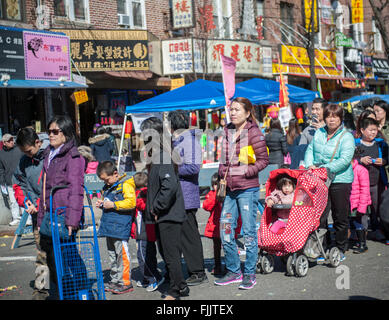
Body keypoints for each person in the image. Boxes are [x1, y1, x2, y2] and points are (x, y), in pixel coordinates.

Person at [215, 97, 269, 290]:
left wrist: (247, 171)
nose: (233, 113)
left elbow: (263, 160)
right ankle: (234, 271)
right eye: (231, 109)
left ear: (247, 113)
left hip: (248, 189)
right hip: (229, 190)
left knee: (248, 233)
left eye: (237, 110)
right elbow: (222, 158)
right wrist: (222, 170)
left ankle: (249, 274)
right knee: (226, 231)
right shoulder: (227, 131)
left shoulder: (254, 133)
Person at [37, 115, 86, 298]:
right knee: (53, 259)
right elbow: (45, 189)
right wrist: (41, 217)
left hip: (64, 215)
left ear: (65, 134)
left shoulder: (73, 156)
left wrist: (72, 220)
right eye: (49, 131)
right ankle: (61, 294)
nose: (50, 135)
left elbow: (76, 189)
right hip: (50, 214)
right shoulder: (48, 154)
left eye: (55, 131)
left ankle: (82, 292)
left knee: (70, 256)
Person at [141, 117, 189, 300]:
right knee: (167, 252)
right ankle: (181, 286)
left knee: (170, 255)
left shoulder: (162, 155)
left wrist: (156, 207)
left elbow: (169, 186)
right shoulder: (159, 155)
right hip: (164, 213)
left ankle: (176, 290)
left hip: (168, 213)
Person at [304, 104, 355, 261]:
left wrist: (324, 168)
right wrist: (309, 165)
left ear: (341, 118)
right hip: (320, 180)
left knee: (340, 216)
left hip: (340, 180)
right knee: (320, 216)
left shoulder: (347, 136)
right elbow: (310, 150)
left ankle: (340, 248)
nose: (331, 119)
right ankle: (321, 247)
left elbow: (345, 160)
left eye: (335, 116)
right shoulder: (319, 132)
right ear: (324, 117)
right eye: (329, 116)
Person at [168, 110, 207, 286]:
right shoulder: (177, 141)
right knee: (180, 235)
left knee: (189, 235)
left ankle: (198, 272)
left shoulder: (189, 141)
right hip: (176, 194)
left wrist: (172, 170)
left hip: (186, 194)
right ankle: (189, 270)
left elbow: (193, 168)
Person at [12, 128, 48, 299]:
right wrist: (25, 201)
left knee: (63, 253)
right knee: (41, 254)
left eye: (29, 151)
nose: (27, 155)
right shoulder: (23, 161)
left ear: (37, 143)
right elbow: (18, 183)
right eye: (23, 152)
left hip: (54, 213)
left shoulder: (50, 157)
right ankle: (41, 289)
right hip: (36, 216)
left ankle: (70, 286)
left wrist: (40, 204)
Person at [96, 160, 136, 295]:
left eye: (107, 180)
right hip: (109, 227)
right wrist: (102, 204)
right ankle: (115, 279)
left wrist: (113, 205)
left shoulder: (125, 185)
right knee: (112, 255)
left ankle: (125, 282)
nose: (106, 183)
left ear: (115, 174)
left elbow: (131, 202)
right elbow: (108, 202)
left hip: (120, 227)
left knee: (122, 256)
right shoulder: (108, 187)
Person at [355, 117, 388, 241]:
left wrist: (384, 161)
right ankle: (362, 234)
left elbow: (388, 158)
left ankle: (377, 230)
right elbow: (349, 159)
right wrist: (360, 160)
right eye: (370, 130)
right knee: (361, 209)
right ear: (362, 130)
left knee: (377, 208)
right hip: (359, 184)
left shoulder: (381, 143)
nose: (373, 132)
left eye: (375, 130)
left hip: (376, 182)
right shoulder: (355, 143)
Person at [203, 173, 242, 276]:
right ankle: (217, 266)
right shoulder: (212, 194)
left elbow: (236, 213)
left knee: (228, 245)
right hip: (215, 226)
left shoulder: (229, 195)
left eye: (218, 185)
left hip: (227, 225)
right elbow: (206, 206)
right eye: (215, 185)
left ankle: (231, 266)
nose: (216, 187)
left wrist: (237, 229)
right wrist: (216, 196)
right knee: (216, 247)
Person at [131, 171, 164, 292]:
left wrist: (132, 198)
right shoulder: (148, 193)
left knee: (143, 256)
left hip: (144, 231)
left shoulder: (140, 195)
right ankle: (147, 277)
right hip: (147, 231)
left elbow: (143, 206)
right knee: (150, 255)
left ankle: (154, 278)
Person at [349, 146, 371, 254]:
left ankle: (363, 244)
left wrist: (362, 206)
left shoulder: (361, 170)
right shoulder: (346, 170)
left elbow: (365, 190)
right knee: (353, 222)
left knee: (359, 223)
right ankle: (355, 240)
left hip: (360, 203)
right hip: (351, 203)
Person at [0, 133, 23, 226]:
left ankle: (28, 219)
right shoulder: (1, 154)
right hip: (9, 181)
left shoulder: (19, 150)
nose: (12, 142)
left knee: (24, 199)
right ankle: (16, 218)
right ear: (4, 143)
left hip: (21, 180)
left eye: (12, 140)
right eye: (9, 141)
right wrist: (2, 181)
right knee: (13, 201)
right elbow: (0, 169)